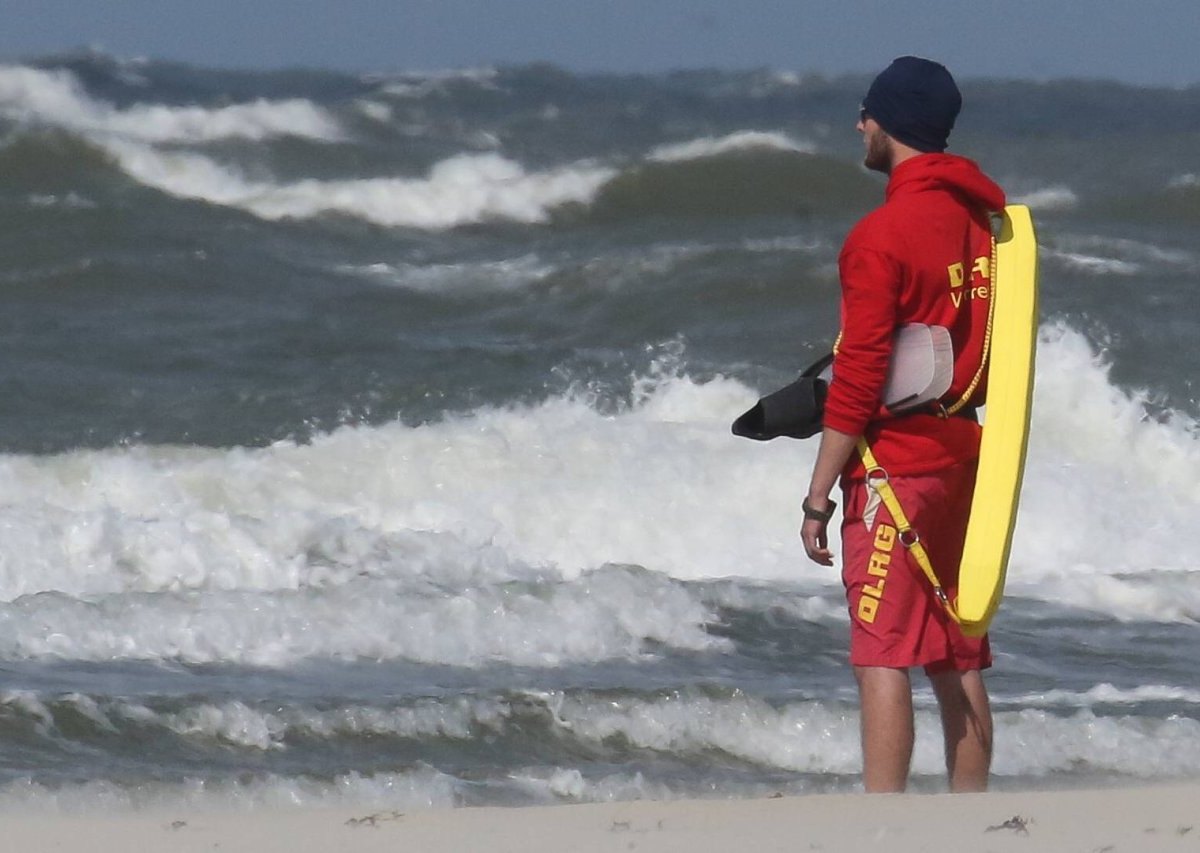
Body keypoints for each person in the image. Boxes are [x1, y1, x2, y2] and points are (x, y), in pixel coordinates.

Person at [799, 56, 1006, 794]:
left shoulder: (879, 236)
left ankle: (881, 829)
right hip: (968, 457)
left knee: (882, 653)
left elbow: (857, 380)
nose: (859, 124)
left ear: (889, 123)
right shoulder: (985, 227)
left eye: (867, 113)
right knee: (957, 650)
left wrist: (819, 493)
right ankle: (968, 825)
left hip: (896, 469)